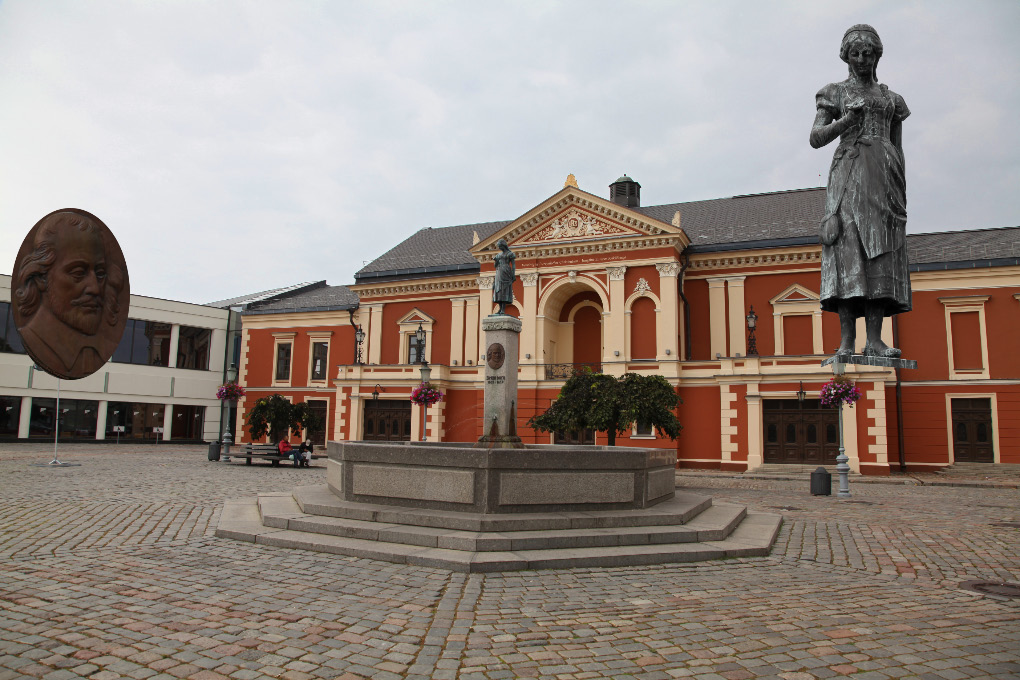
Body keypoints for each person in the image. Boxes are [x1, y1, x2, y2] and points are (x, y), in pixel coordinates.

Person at [810, 24, 911, 358]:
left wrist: (901, 188)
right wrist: (845, 123)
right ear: (846, 56)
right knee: (848, 252)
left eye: (868, 53)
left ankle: (875, 340)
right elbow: (816, 138)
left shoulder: (891, 100)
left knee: (880, 254)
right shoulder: (835, 93)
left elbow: (897, 146)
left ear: (876, 55)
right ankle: (847, 342)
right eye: (856, 53)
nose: (862, 59)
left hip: (884, 179)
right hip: (849, 177)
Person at [14, 210, 127, 379]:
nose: (95, 288)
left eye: (101, 273)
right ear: (40, 278)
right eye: (78, 273)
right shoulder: (35, 342)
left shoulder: (99, 350)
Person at [492, 238, 516, 315]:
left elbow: (514, 265)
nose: (499, 248)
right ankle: (499, 309)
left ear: (503, 245)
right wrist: (495, 261)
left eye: (500, 246)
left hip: (506, 272)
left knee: (504, 290)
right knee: (498, 289)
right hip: (499, 272)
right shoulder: (498, 255)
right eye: (498, 246)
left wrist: (513, 275)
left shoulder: (510, 254)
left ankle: (503, 309)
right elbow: (495, 266)